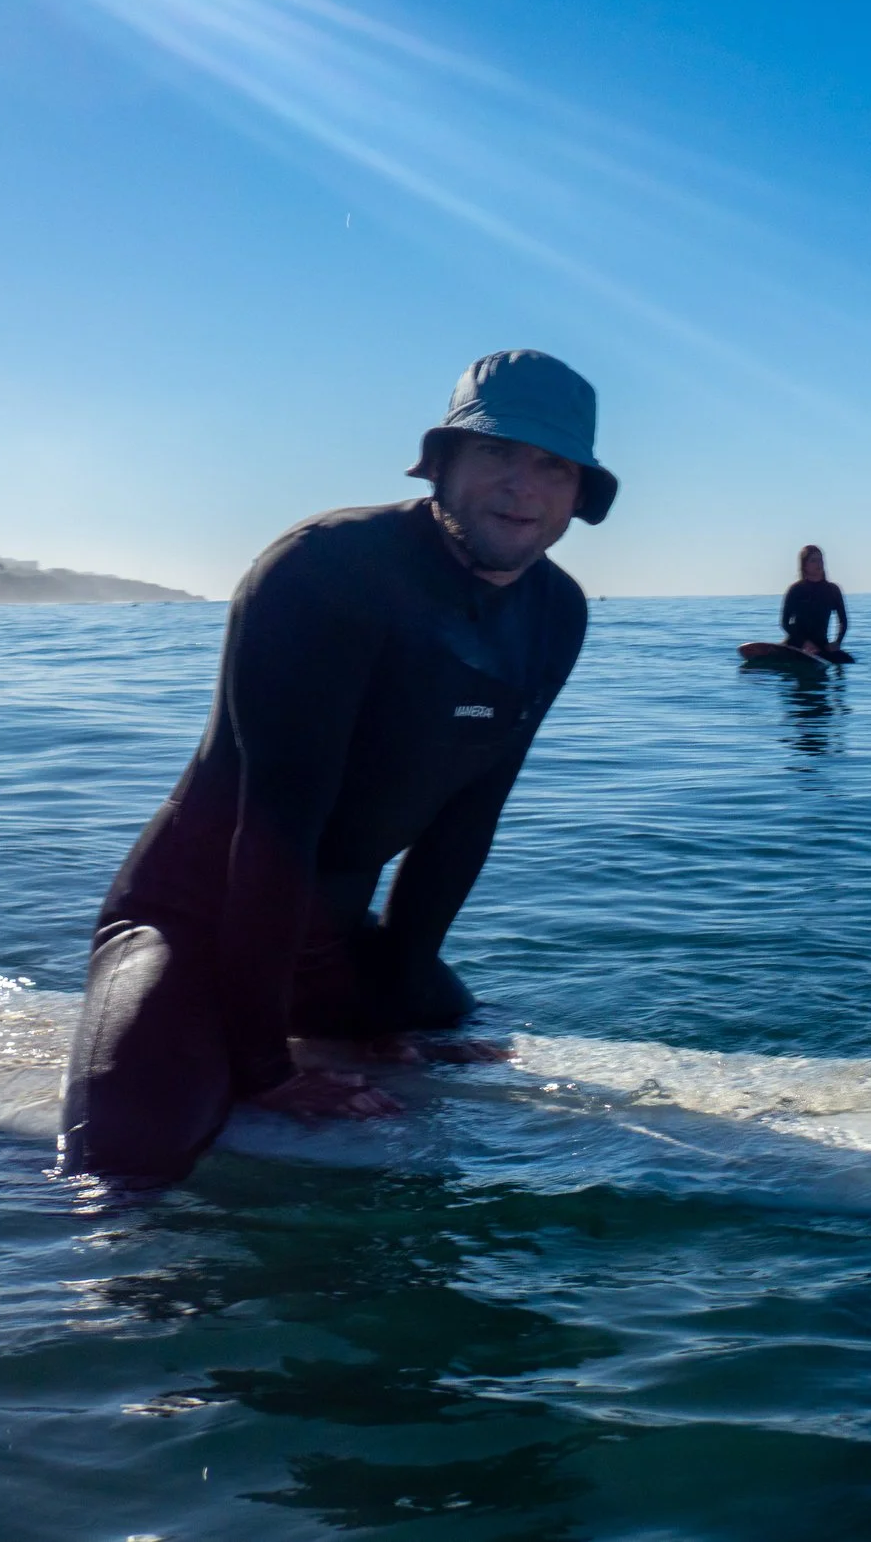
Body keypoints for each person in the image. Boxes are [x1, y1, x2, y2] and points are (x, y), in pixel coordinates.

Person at [60, 350, 616, 1183]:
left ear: (579, 494)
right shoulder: (326, 569)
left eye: (552, 465)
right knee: (127, 1153)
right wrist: (265, 1069)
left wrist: (385, 1006)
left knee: (445, 1013)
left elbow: (467, 822)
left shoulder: (555, 612)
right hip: (192, 922)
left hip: (327, 941)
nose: (522, 486)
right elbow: (276, 823)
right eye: (496, 452)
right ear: (443, 463)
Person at [781, 545, 853, 663]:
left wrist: (837, 642)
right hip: (796, 644)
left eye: (820, 560)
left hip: (821, 646)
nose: (819, 564)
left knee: (849, 661)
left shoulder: (832, 590)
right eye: (813, 560)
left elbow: (843, 621)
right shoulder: (796, 590)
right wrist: (804, 643)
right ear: (804, 565)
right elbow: (784, 622)